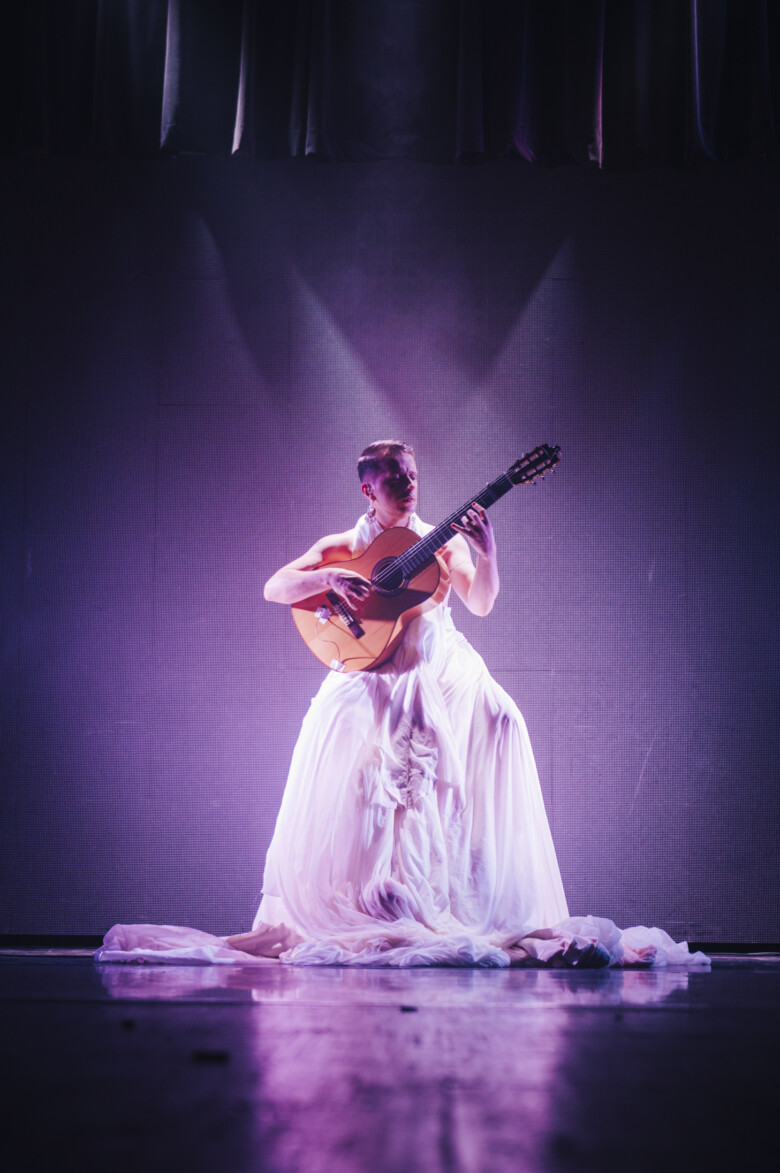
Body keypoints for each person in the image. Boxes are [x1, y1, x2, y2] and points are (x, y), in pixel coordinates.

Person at [96, 441, 709, 968]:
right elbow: (274, 586)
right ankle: (377, 901)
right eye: (395, 477)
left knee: (501, 721)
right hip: (374, 666)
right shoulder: (348, 542)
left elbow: (481, 603)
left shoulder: (436, 540)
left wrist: (488, 550)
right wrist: (329, 580)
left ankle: (467, 900)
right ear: (369, 488)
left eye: (413, 474)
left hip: (437, 661)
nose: (408, 484)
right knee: (362, 764)